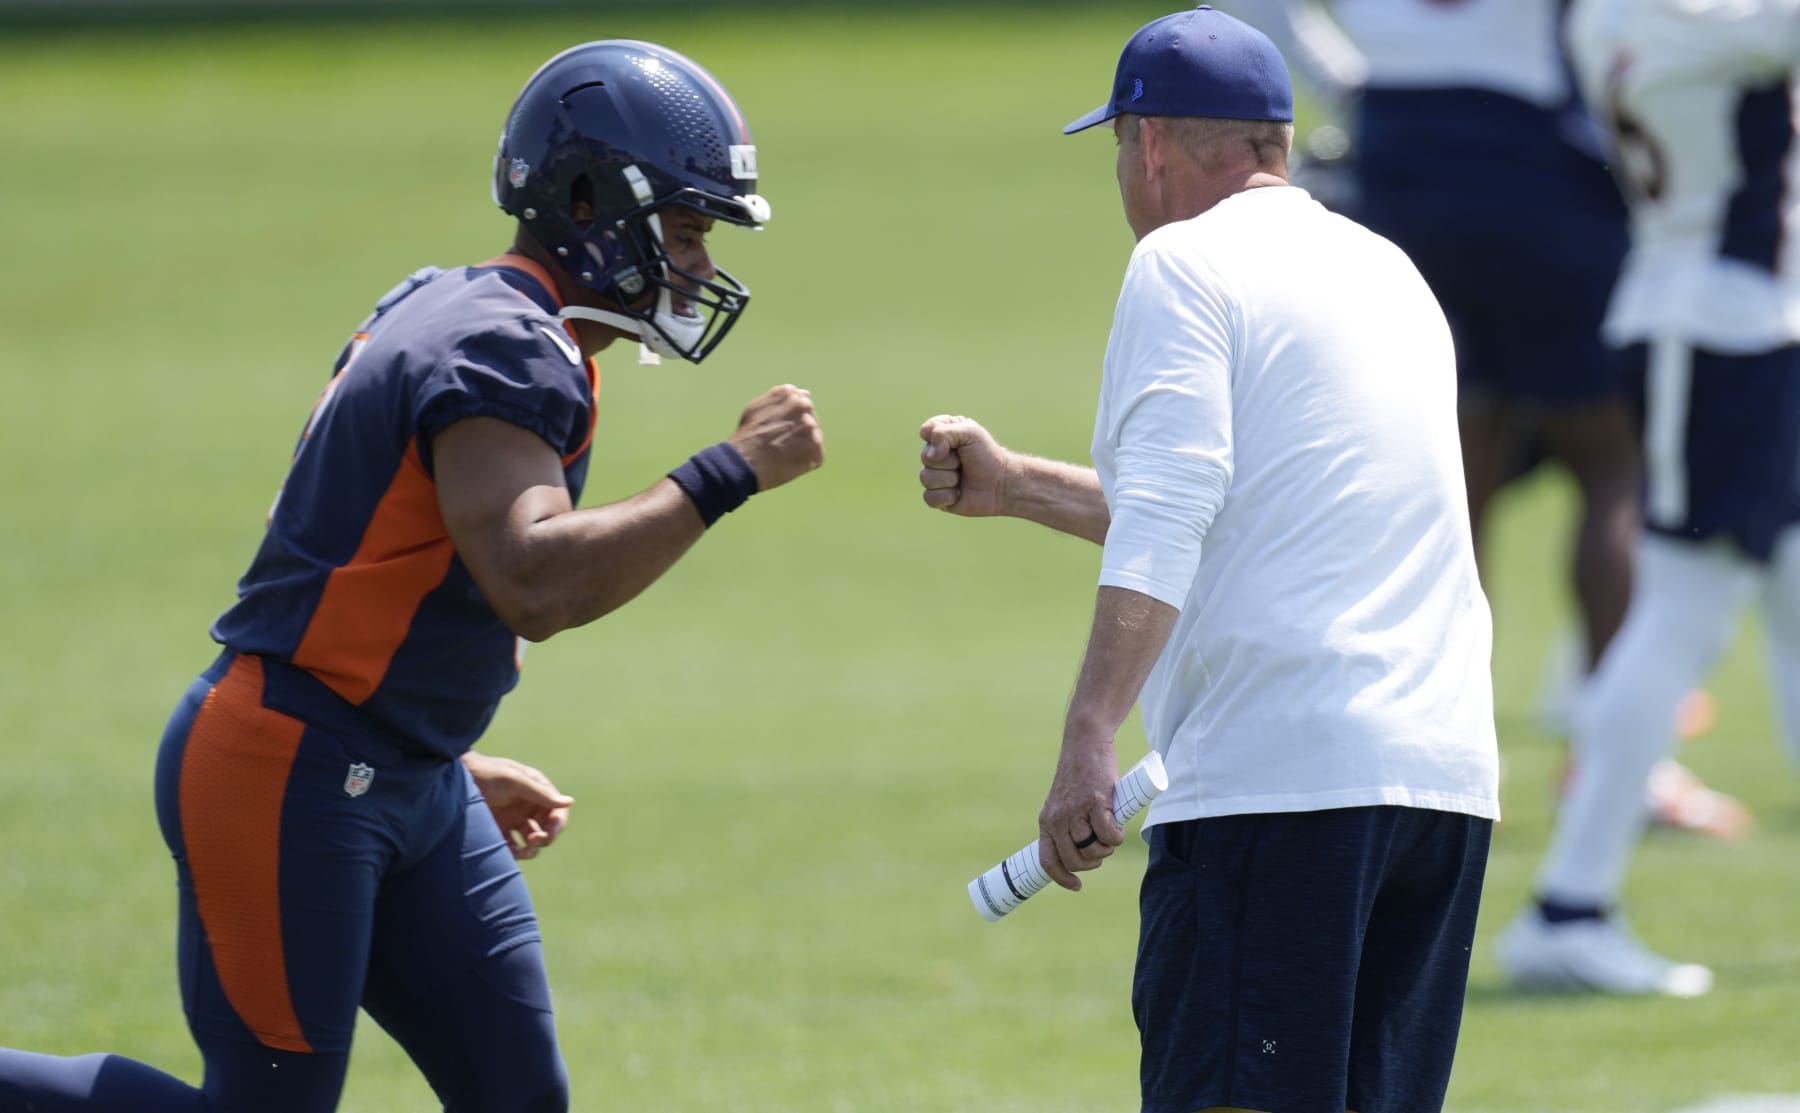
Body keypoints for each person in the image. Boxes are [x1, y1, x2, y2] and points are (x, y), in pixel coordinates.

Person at [0, 39, 823, 1113]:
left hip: (390, 766)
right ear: (588, 204)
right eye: (682, 228)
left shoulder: (478, 308)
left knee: (517, 1098)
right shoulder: (500, 345)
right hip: (294, 761)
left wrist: (431, 747)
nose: (699, 264)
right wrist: (729, 472)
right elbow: (534, 581)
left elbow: (372, 559)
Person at [918, 8, 1499, 1111]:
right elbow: (1278, 511)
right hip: (1438, 786)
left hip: (1277, 792)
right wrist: (1019, 487)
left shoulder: (1183, 264)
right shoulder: (1386, 271)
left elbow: (1176, 505)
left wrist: (1091, 733)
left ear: (1149, 145)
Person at [1222, 0, 1748, 838]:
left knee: (1447, 470)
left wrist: (1354, 84)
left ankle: (1428, 746)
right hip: (1538, 162)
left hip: (1398, 160)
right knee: (1612, 462)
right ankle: (1619, 768)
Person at [1497, 0, 1800, 997]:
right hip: (1720, 328)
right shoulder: (1697, 21)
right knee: (1681, 615)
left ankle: (1571, 905)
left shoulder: (1610, 18)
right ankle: (1567, 905)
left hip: (1728, 323)